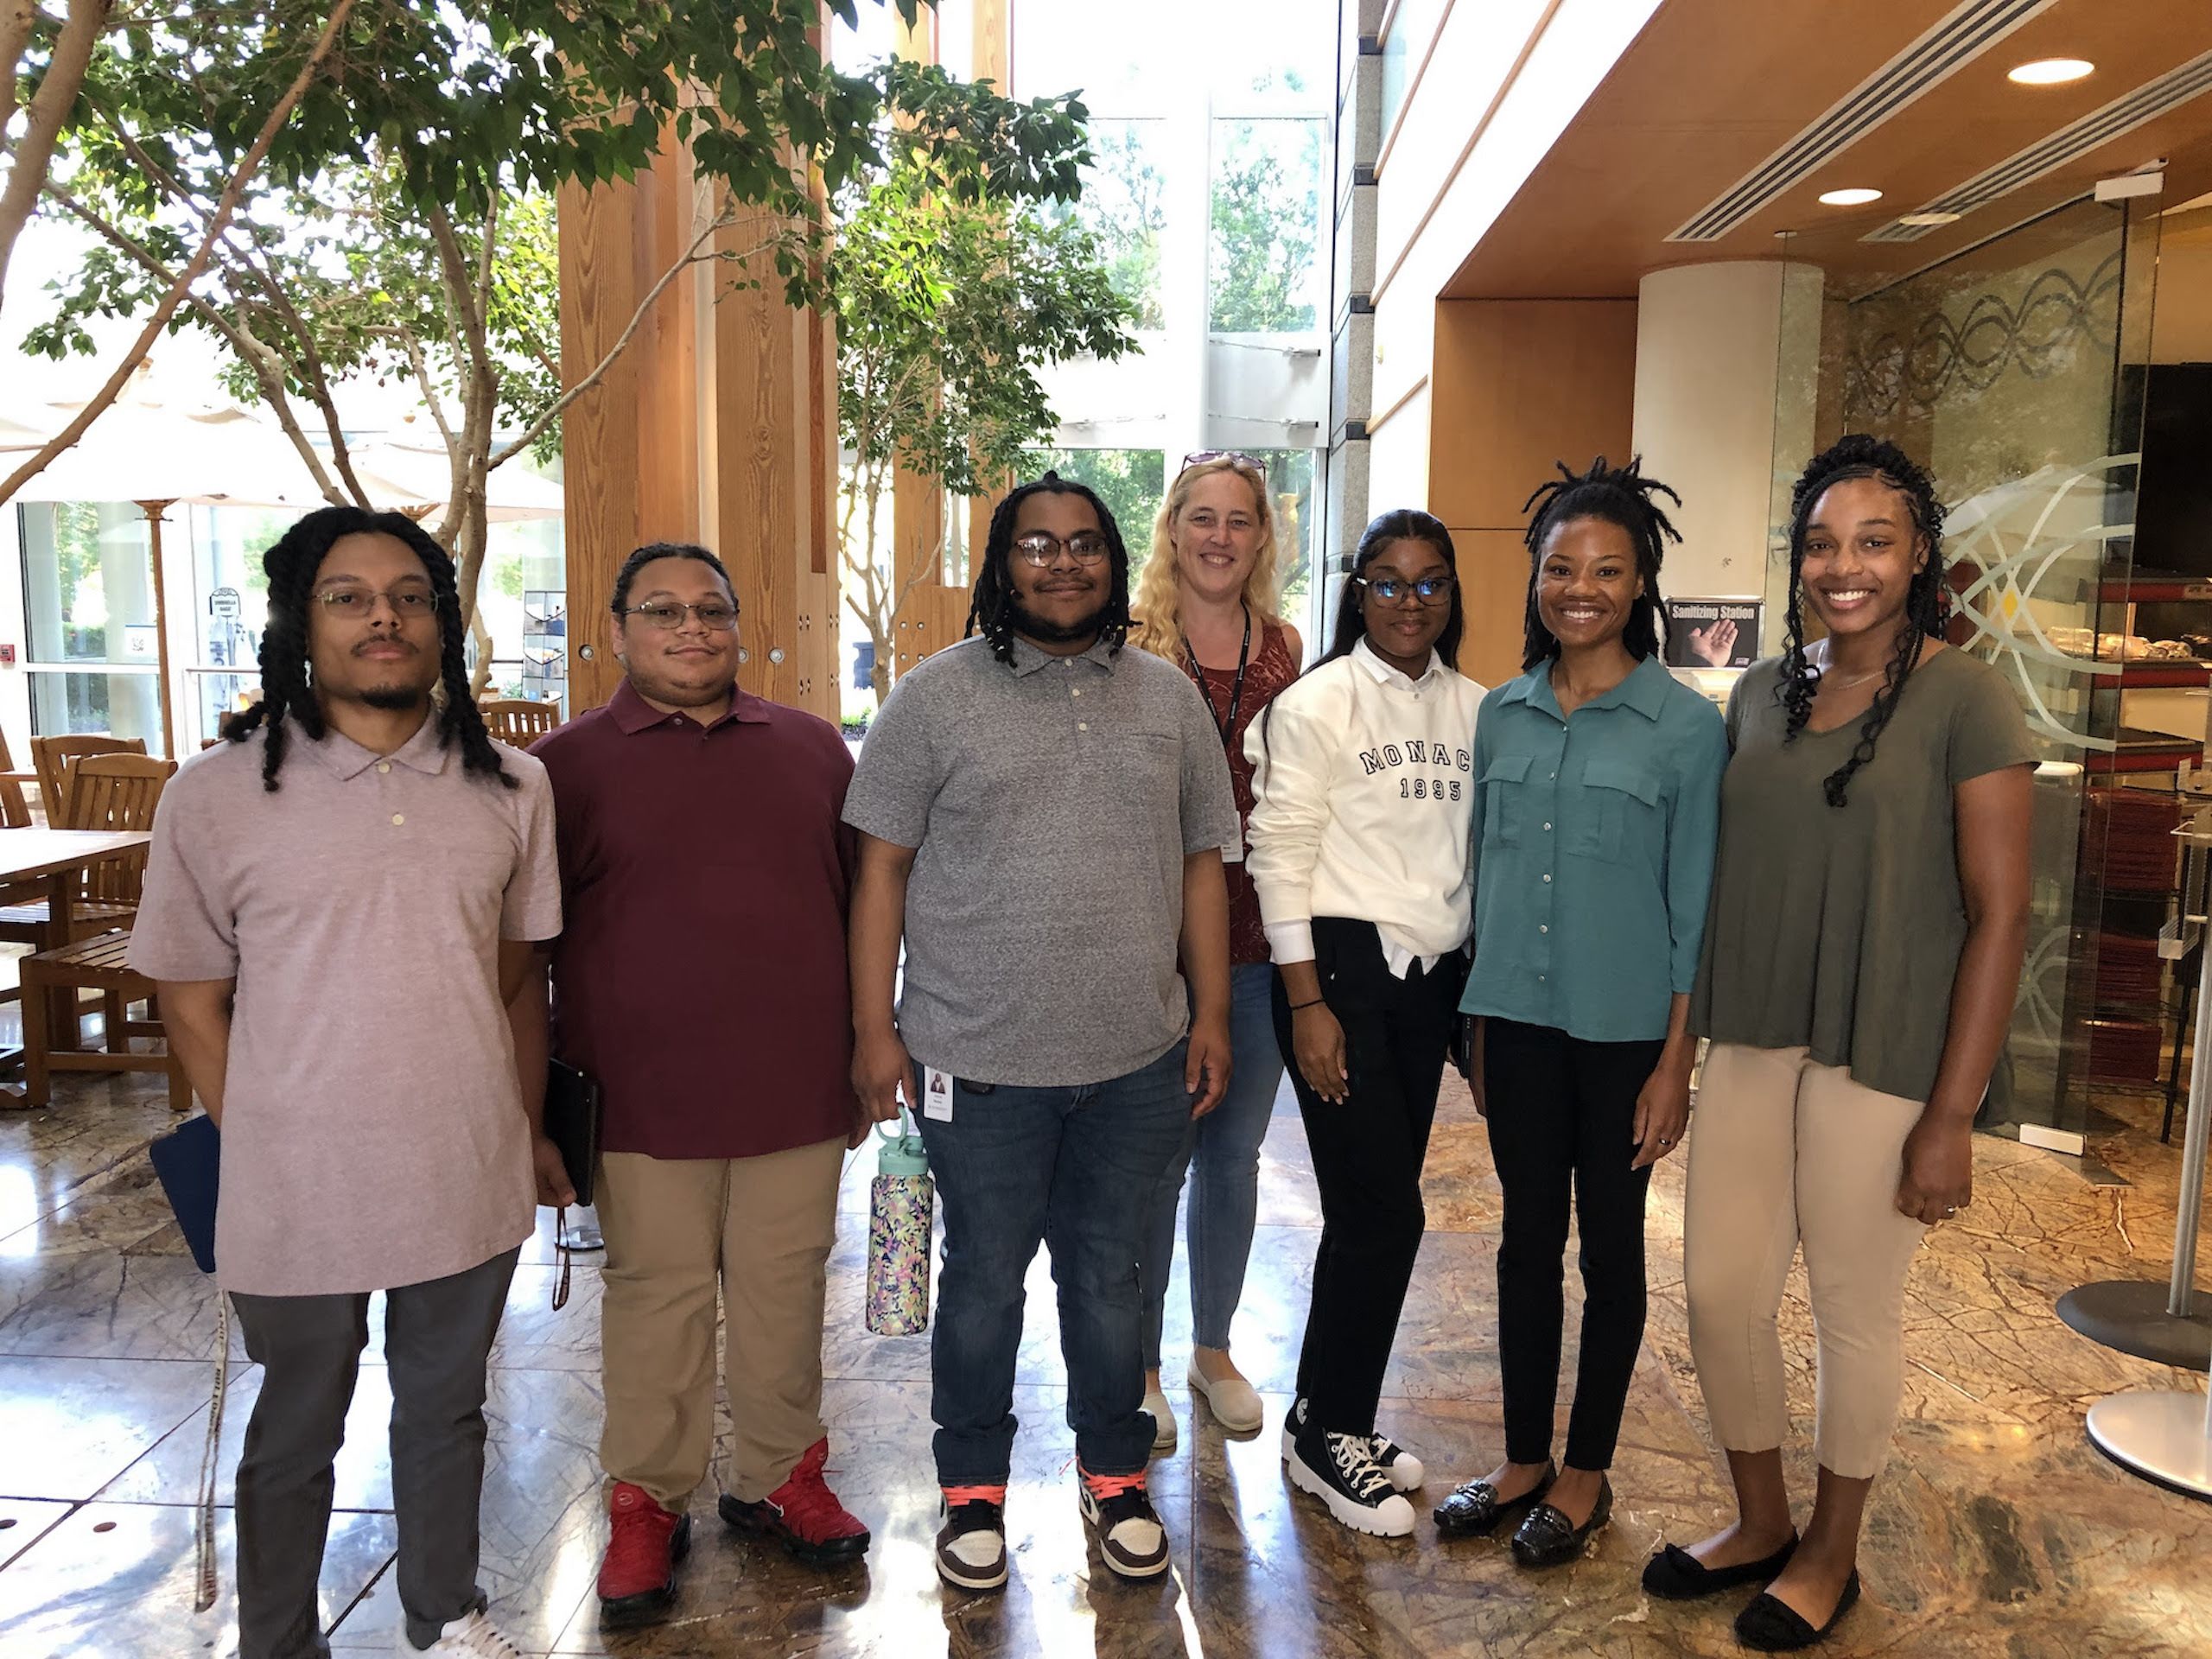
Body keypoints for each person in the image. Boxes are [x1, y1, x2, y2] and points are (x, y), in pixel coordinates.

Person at [132, 506, 563, 1659]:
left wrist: (523, 1134)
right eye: (350, 595)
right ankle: (278, 1639)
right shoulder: (214, 794)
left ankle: (444, 1614)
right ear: (300, 623)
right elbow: (187, 997)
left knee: (447, 1412)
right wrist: (263, 1139)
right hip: (291, 1184)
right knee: (296, 1424)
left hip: (464, 1166)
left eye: (410, 596)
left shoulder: (513, 786)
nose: (385, 614)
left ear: (442, 623)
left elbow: (517, 981)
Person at [1648, 435, 2033, 1651]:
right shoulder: (1763, 691)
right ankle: (1761, 1521)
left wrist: (1952, 1117)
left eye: (1873, 541)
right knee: (1719, 1291)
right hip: (1754, 1032)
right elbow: (1717, 879)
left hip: (1884, 1048)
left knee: (1854, 1310)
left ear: (1920, 554)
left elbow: (2002, 913)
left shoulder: (1968, 696)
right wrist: (1676, 1048)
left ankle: (1832, 1550)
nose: (1843, 566)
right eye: (1822, 543)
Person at [842, 472, 1238, 1592]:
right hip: (975, 1063)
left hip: (1138, 1062)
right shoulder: (932, 697)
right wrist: (876, 1029)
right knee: (980, 1284)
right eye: (1035, 545)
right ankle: (972, 1490)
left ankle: (1113, 1475)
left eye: (1083, 545)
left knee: (1115, 1281)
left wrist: (1210, 1011)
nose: (1061, 563)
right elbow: (880, 872)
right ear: (1001, 565)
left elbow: (1205, 864)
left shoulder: (1166, 700)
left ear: (1114, 562)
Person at [530, 542, 870, 1630]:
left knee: (786, 1287)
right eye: (663, 611)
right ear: (617, 629)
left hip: (795, 1083)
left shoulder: (815, 750)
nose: (692, 629)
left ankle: (780, 1475)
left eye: (712, 609)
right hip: (638, 1093)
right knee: (657, 1300)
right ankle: (646, 1499)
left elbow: (866, 912)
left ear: (740, 624)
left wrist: (872, 1044)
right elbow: (523, 949)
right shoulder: (562, 768)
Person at [1432, 460, 1726, 1567]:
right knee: (1521, 1242)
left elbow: (1694, 906)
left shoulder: (1685, 730)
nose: (1581, 587)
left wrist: (1674, 1060)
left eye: (1607, 569)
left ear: (1641, 580)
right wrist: (1470, 1022)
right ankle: (1521, 1460)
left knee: (1609, 1249)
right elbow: (1477, 874)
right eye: (1561, 567)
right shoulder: (1497, 716)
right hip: (1511, 1020)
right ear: (1535, 579)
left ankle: (1588, 1471)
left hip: (1623, 1039)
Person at [1245, 507, 1484, 1537]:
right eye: (1385, 582)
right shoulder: (1317, 704)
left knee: (1370, 1209)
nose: (1408, 601)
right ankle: (1329, 1431)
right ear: (1357, 594)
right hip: (1338, 977)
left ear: (1452, 595)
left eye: (1429, 582)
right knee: (1387, 1212)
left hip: (1428, 985)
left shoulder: (1481, 707)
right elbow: (1278, 855)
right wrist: (1306, 1003)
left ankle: (1325, 1414)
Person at [1127, 452, 1304, 1450]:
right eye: (1202, 518)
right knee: (1153, 1163)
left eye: (1240, 521)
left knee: (1230, 1158)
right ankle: (1140, 1363)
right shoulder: (1129, 645)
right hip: (1148, 953)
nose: (1220, 537)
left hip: (1253, 946)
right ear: (1173, 528)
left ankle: (1212, 1350)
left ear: (1260, 538)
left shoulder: (1283, 647)